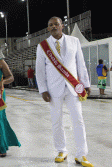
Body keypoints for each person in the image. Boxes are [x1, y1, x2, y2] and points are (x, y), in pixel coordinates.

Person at [36, 17, 93, 167]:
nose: (53, 26)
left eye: (56, 24)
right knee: (56, 122)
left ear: (62, 25)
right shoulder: (43, 46)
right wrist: (43, 89)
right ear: (48, 29)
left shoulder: (74, 41)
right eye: (50, 25)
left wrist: (85, 83)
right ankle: (62, 150)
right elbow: (40, 71)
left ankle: (81, 154)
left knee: (78, 120)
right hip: (53, 90)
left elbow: (80, 64)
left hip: (74, 89)